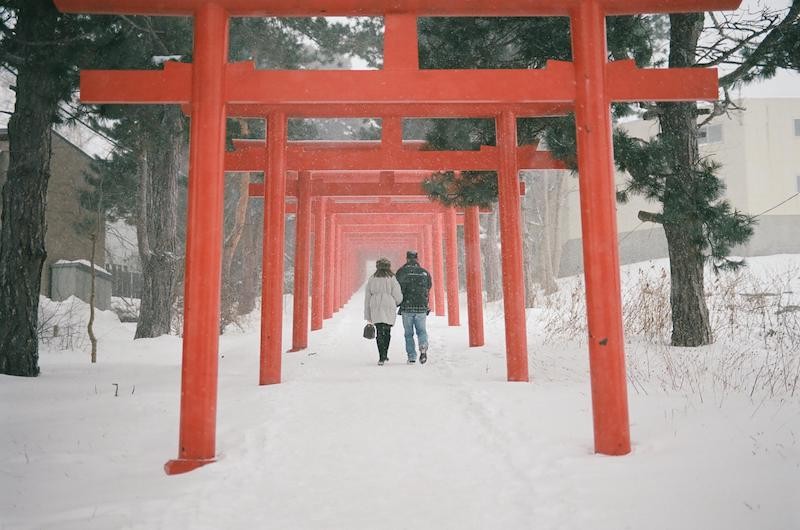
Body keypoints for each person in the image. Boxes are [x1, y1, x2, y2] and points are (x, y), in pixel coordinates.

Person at [364, 257, 403, 365]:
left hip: (375, 305)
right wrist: (396, 302)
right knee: (387, 331)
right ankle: (385, 353)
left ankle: (381, 356)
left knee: (379, 331)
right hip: (388, 305)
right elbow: (398, 295)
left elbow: (367, 297)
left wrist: (368, 314)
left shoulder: (372, 279)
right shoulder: (392, 278)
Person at [395, 250, 432, 364]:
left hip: (407, 306)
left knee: (408, 333)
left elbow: (397, 288)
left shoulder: (401, 272)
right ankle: (423, 346)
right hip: (421, 306)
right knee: (421, 331)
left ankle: (411, 356)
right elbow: (429, 286)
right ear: (417, 259)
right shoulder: (424, 273)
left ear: (407, 259)